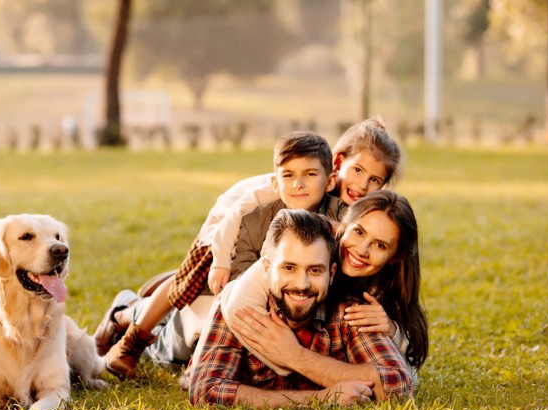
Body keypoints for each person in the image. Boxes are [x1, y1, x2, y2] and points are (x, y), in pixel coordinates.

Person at [95, 119, 403, 379]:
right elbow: (236, 215)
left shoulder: (353, 214)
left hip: (267, 275)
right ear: (337, 165)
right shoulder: (276, 191)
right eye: (358, 171)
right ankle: (129, 320)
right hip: (222, 237)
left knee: (193, 307)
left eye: (374, 179)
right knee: (184, 295)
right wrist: (220, 262)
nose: (363, 185)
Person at [189, 208, 415, 408]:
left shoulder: (352, 312)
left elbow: (398, 387)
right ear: (267, 268)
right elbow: (206, 391)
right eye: (289, 268)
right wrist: (320, 399)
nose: (302, 285)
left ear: (332, 273)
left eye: (315, 270)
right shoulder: (240, 304)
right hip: (193, 313)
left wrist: (295, 356)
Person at [214, 190, 428, 379]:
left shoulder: (384, 289)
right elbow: (237, 307)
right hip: (219, 291)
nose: (361, 250)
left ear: (394, 257)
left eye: (380, 245)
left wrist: (393, 331)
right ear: (343, 224)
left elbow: (405, 378)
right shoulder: (308, 245)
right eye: (359, 232)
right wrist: (289, 361)